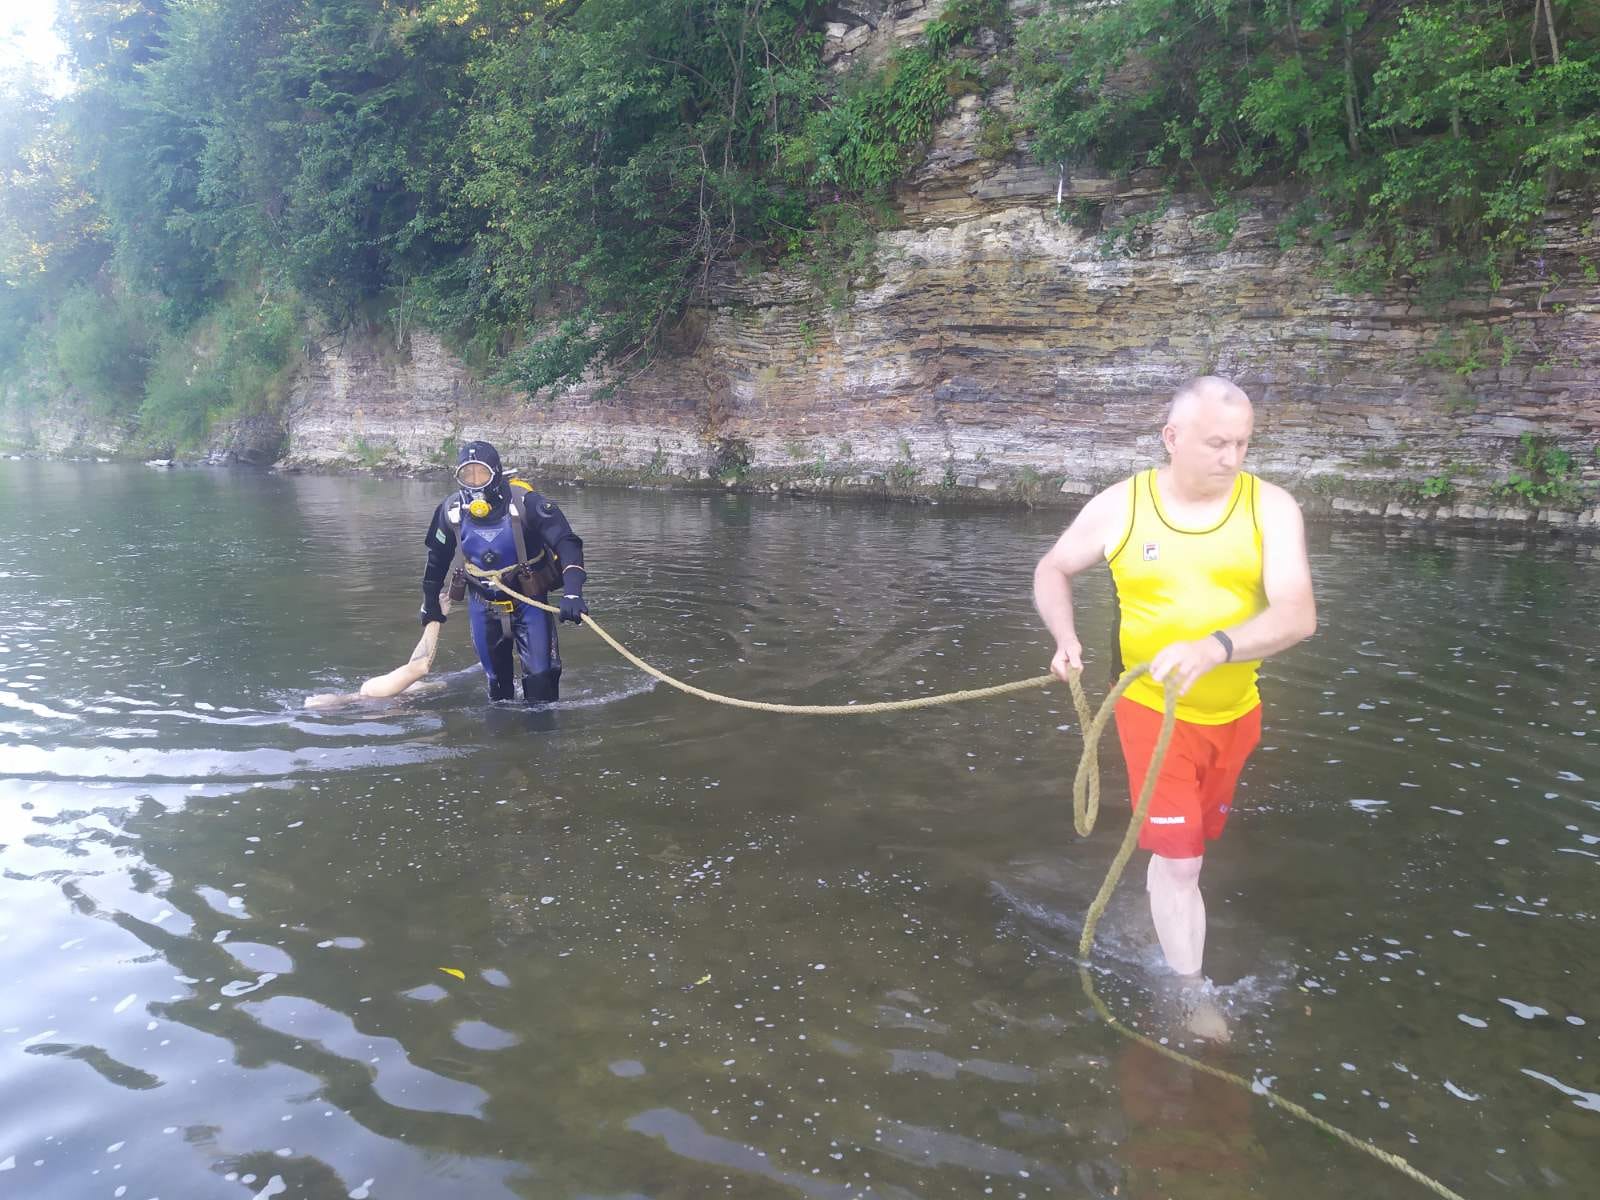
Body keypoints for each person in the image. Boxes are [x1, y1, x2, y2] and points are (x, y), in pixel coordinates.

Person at [1032, 377, 1316, 1037]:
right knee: (1184, 860)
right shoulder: (1123, 506)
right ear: (1172, 437)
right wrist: (1065, 637)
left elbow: (1298, 616)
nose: (1232, 457)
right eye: (1217, 443)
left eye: (1242, 443)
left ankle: (1162, 888)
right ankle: (1190, 997)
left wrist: (1216, 647)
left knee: (1189, 851)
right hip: (1148, 710)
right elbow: (1053, 568)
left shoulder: (1270, 509)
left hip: (1236, 711)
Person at [420, 440, 589, 704]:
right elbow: (437, 559)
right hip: (483, 605)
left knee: (541, 686)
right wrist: (430, 603)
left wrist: (573, 593)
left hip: (529, 602)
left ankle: (543, 725)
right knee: (498, 691)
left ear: (497, 473)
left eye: (482, 474)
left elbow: (567, 543)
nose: (475, 483)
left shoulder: (526, 504)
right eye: (467, 475)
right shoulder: (451, 511)